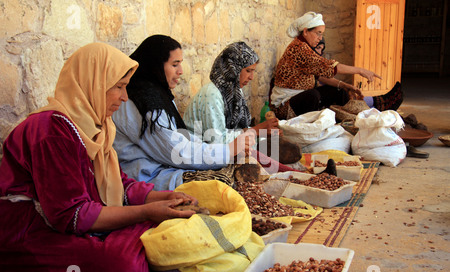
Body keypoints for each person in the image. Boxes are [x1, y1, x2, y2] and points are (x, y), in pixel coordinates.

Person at [0, 43, 199, 272]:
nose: (125, 97)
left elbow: (119, 183)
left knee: (168, 228)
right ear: (92, 82)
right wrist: (146, 212)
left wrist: (161, 198)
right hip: (27, 230)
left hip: (71, 220)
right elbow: (71, 216)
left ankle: (138, 244)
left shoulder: (97, 125)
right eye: (119, 86)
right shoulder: (51, 131)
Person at [112, 36, 255, 191]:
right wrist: (228, 150)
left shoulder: (158, 96)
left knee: (236, 173)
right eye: (175, 65)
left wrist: (230, 149)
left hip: (168, 167)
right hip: (148, 177)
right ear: (156, 66)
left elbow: (181, 137)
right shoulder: (141, 102)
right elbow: (176, 151)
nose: (181, 71)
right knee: (223, 184)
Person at [271, 11, 403, 118]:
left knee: (339, 92)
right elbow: (330, 67)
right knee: (313, 96)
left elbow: (321, 75)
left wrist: (346, 86)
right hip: (285, 106)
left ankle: (351, 117)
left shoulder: (304, 47)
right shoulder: (299, 49)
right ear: (305, 32)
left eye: (321, 34)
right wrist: (361, 70)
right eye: (318, 33)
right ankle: (307, 125)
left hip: (300, 97)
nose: (320, 38)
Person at [183, 41, 280, 145]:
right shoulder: (212, 95)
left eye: (253, 71)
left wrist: (265, 135)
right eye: (248, 71)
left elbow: (237, 131)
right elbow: (217, 141)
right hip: (198, 152)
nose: (251, 77)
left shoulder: (234, 92)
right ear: (233, 68)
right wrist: (256, 131)